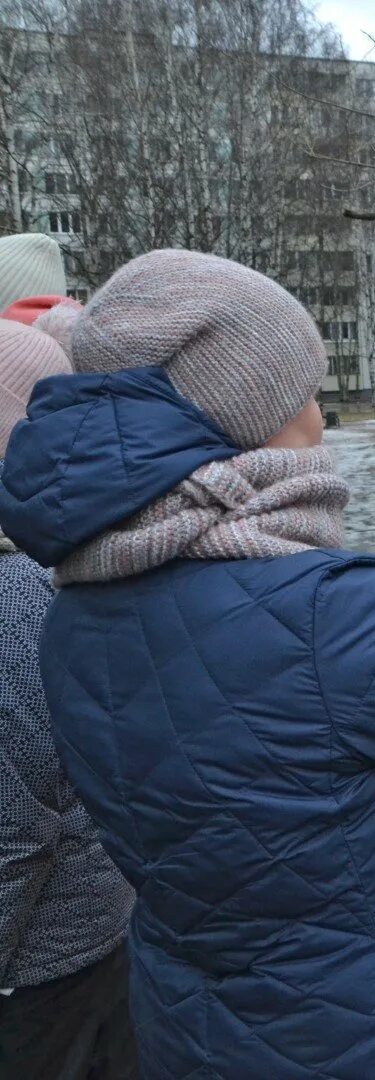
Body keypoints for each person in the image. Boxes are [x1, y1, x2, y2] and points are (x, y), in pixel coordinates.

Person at [0, 249, 375, 1078]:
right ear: (250, 417)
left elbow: (268, 690)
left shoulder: (74, 608)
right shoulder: (329, 614)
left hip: (203, 1026)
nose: (317, 414)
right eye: (303, 391)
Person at [0, 318, 138, 1080]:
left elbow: (15, 838)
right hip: (95, 942)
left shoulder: (15, 599)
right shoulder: (72, 561)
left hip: (40, 978)